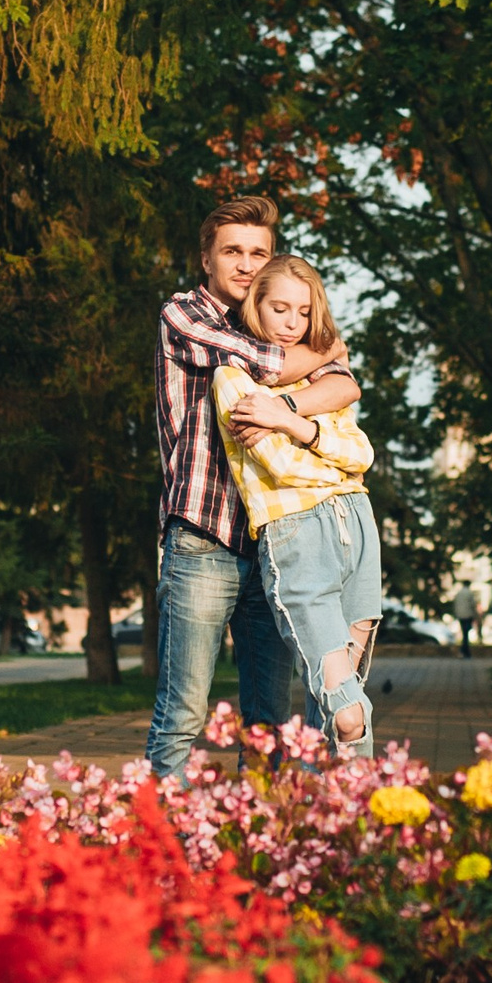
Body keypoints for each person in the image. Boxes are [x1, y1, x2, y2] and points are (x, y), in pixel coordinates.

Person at [147, 197, 359, 779]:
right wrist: (317, 356)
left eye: (258, 252)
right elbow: (265, 361)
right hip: (203, 539)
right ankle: (153, 849)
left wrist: (284, 411)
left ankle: (259, 846)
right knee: (183, 711)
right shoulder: (183, 315)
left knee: (271, 719)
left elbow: (343, 384)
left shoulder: (277, 318)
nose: (245, 264)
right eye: (232, 251)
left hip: (279, 546)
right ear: (206, 258)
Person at [213, 255, 382, 750]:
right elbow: (281, 467)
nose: (292, 323)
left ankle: (347, 816)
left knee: (343, 701)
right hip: (296, 529)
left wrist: (289, 421)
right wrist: (324, 442)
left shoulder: (321, 378)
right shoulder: (234, 378)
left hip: (357, 523)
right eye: (279, 309)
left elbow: (363, 453)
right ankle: (333, 810)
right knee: (346, 709)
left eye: (303, 312)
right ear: (255, 308)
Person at [449, 580, 482, 658]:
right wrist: (475, 615)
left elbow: (455, 604)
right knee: (466, 634)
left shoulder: (459, 593)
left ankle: (464, 651)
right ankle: (465, 651)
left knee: (465, 633)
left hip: (460, 616)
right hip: (468, 615)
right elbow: (473, 605)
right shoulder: (469, 593)